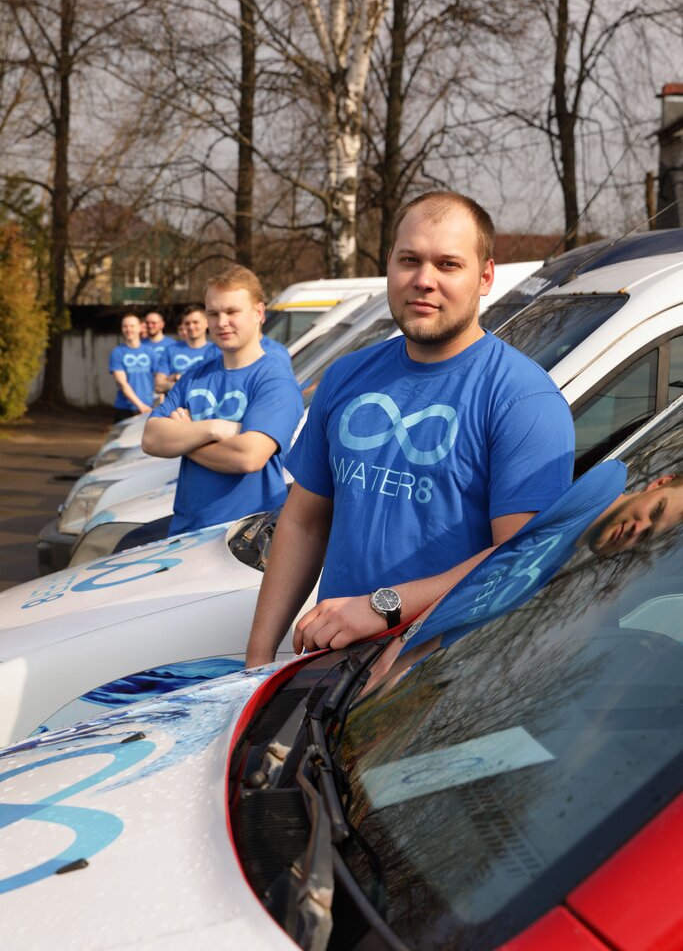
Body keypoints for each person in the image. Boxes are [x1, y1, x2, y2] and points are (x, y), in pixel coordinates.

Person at [246, 190, 576, 666]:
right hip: (332, 668)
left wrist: (383, 607)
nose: (424, 280)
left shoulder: (524, 400)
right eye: (409, 260)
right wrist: (258, 660)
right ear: (389, 265)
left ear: (485, 277)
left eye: (448, 264)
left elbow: (520, 557)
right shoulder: (346, 375)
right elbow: (304, 522)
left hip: (444, 680)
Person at [142, 265, 304, 536]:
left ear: (259, 313)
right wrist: (214, 428)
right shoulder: (196, 376)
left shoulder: (275, 381)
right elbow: (151, 439)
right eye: (213, 313)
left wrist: (185, 438)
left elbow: (248, 457)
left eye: (232, 312)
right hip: (185, 531)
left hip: (244, 539)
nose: (221, 322)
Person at [581, 472, 683, 554]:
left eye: (646, 533)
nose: (637, 529)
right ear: (660, 483)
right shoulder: (586, 474)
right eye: (656, 510)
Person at [154, 304, 217, 394]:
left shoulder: (216, 351)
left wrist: (178, 380)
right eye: (187, 323)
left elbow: (217, 384)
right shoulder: (171, 350)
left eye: (195, 322)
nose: (191, 327)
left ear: (207, 323)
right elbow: (158, 385)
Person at [109, 313, 155, 422]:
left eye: (132, 326)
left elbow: (158, 379)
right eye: (125, 326)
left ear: (140, 328)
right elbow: (122, 383)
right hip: (126, 409)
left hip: (149, 407)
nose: (128, 329)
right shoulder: (117, 352)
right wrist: (140, 405)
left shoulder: (149, 351)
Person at [143, 308, 175, 373]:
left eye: (153, 323)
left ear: (162, 324)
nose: (150, 326)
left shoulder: (172, 345)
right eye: (147, 323)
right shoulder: (140, 344)